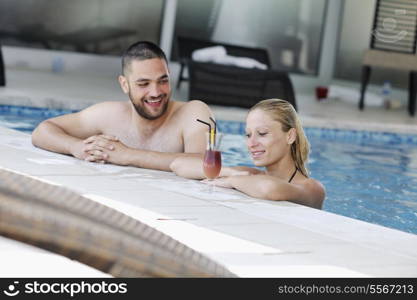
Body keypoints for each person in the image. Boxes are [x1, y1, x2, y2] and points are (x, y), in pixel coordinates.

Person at [32, 41, 213, 171]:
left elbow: (205, 163)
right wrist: (77, 147)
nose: (156, 92)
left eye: (162, 81)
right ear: (124, 84)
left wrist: (128, 155)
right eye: (144, 84)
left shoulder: (194, 113)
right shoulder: (109, 115)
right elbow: (43, 131)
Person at [170, 99, 325, 209]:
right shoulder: (250, 175)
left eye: (262, 133)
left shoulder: (312, 189)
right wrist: (227, 171)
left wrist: (231, 180)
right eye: (248, 135)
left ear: (290, 136)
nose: (251, 144)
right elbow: (179, 165)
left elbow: (270, 189)